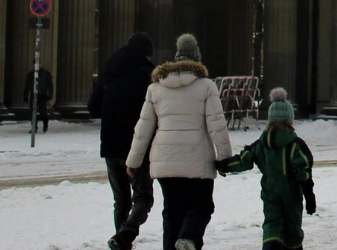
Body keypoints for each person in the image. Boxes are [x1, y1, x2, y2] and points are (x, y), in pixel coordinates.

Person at [126, 33, 232, 250]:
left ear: (176, 58)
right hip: (197, 160)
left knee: (172, 212)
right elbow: (217, 126)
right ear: (197, 58)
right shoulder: (206, 86)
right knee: (202, 206)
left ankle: (175, 244)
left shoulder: (155, 87)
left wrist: (133, 162)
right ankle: (189, 239)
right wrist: (225, 159)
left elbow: (143, 128)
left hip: (165, 162)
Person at [218, 88, 315, 247]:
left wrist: (225, 165)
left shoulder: (261, 144)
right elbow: (303, 172)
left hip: (270, 193)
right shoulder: (296, 146)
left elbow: (244, 160)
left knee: (272, 224)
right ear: (290, 120)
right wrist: (309, 195)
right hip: (291, 195)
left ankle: (271, 244)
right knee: (293, 230)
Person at [91, 31, 156, 250]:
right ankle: (124, 237)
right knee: (143, 198)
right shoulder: (148, 74)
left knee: (121, 200)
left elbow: (93, 107)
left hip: (109, 144)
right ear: (147, 54)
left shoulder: (109, 69)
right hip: (136, 146)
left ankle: (121, 241)